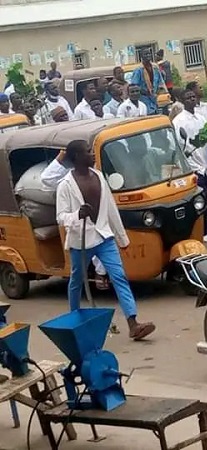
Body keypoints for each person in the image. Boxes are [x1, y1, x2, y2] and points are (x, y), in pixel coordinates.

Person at [56, 140, 156, 340]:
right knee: (77, 280)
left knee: (119, 276)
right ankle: (73, 319)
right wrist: (77, 214)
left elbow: (110, 209)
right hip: (81, 241)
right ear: (76, 157)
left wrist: (122, 238)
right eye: (88, 152)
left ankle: (133, 323)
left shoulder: (99, 176)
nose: (93, 155)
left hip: (104, 236)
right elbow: (61, 216)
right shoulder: (65, 185)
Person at [41, 150, 109, 289]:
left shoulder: (96, 173)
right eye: (87, 151)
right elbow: (46, 179)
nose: (92, 155)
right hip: (78, 223)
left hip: (98, 216)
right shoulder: (67, 179)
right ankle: (99, 275)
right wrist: (61, 156)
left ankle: (102, 273)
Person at [173, 89, 207, 243]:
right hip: (193, 165)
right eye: (188, 98)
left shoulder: (200, 117)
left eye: (193, 97)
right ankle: (206, 231)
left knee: (206, 194)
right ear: (183, 101)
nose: (192, 99)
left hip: (205, 161)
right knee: (201, 196)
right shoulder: (179, 121)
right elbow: (180, 145)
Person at [130, 48, 166, 115]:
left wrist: (159, 92)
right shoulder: (138, 70)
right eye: (145, 54)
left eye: (149, 54)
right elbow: (134, 86)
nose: (148, 55)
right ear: (141, 56)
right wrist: (144, 91)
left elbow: (160, 81)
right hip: (143, 98)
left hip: (155, 97)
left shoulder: (155, 67)